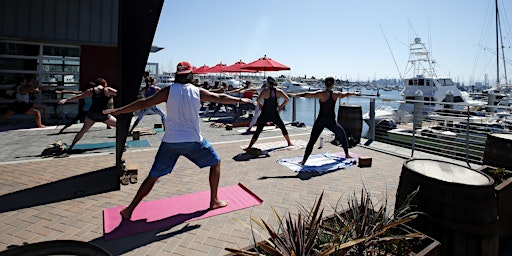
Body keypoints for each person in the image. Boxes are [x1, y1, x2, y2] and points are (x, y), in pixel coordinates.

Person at [102, 61, 253, 220]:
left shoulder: (167, 91)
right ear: (190, 75)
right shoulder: (197, 91)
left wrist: (118, 111)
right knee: (215, 162)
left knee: (153, 176)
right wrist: (241, 101)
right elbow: (220, 97)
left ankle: (130, 209)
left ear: (177, 74)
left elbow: (143, 103)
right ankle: (214, 201)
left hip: (170, 142)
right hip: (193, 142)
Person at [289, 77, 360, 165]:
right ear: (333, 84)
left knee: (312, 140)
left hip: (321, 120)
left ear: (325, 84)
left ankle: (303, 161)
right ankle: (347, 154)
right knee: (342, 134)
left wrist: (295, 95)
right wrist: (355, 93)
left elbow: (307, 94)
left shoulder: (321, 94)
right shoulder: (336, 94)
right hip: (331, 121)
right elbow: (346, 94)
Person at [58, 78, 117, 151]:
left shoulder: (91, 91)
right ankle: (122, 144)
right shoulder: (107, 90)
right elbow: (119, 93)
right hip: (103, 114)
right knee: (120, 126)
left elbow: (79, 96)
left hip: (92, 113)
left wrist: (66, 100)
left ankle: (71, 147)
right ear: (104, 84)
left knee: (83, 131)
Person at [244, 76, 292, 150]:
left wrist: (260, 106)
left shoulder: (265, 91)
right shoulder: (278, 91)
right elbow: (287, 99)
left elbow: (257, 100)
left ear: (267, 82)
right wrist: (281, 106)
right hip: (274, 113)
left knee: (258, 130)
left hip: (265, 112)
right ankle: (289, 142)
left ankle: (249, 146)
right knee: (282, 127)